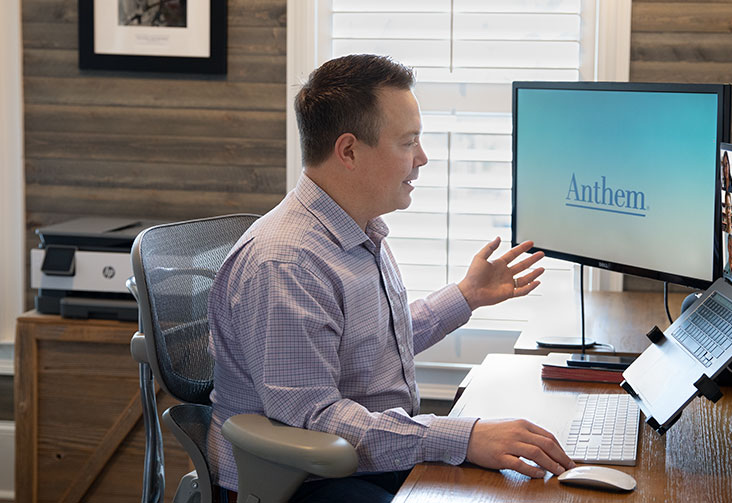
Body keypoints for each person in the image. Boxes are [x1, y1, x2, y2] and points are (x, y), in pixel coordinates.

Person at [206, 55, 574, 502]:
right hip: (301, 483)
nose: (422, 158)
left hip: (356, 465)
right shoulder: (287, 264)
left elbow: (373, 344)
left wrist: (467, 295)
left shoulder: (359, 229)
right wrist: (463, 438)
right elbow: (312, 419)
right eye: (408, 142)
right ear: (349, 151)